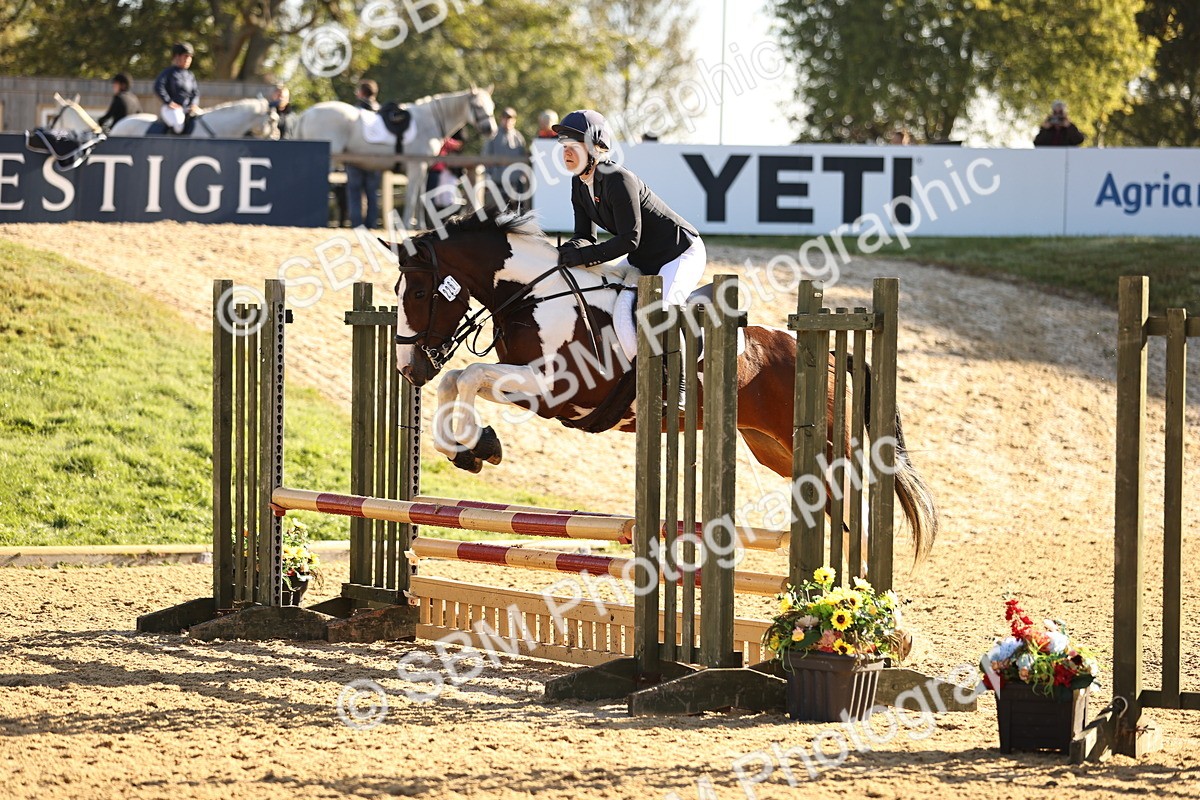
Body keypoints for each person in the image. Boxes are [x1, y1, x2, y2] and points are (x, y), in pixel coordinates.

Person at [554, 109, 704, 306]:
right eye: (564, 145)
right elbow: (585, 236)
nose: (567, 151)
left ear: (595, 147)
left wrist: (582, 256)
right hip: (643, 258)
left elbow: (629, 239)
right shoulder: (578, 184)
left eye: (574, 145)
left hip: (679, 253)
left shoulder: (617, 179)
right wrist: (563, 253)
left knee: (656, 316)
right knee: (610, 303)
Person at [346, 79, 382, 228]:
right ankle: (372, 225)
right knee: (372, 194)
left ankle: (356, 225)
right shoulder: (381, 112)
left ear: (361, 93)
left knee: (355, 194)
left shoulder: (354, 112)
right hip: (374, 159)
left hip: (355, 158)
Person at [482, 107, 529, 210]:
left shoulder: (518, 137)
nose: (508, 120)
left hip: (515, 181)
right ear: (501, 119)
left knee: (517, 210)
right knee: (498, 210)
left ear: (514, 120)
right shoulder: (493, 135)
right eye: (505, 117)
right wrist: (489, 174)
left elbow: (524, 157)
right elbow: (486, 156)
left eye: (510, 118)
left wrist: (522, 174)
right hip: (498, 180)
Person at [153, 42, 200, 134]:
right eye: (186, 56)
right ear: (177, 56)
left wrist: (194, 104)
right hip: (172, 109)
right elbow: (158, 86)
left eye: (190, 57)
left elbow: (195, 92)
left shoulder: (190, 75)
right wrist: (169, 102)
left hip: (187, 108)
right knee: (179, 126)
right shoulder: (168, 72)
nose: (188, 59)